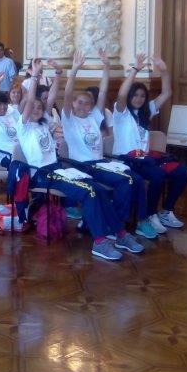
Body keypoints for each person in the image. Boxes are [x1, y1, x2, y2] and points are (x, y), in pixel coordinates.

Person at [17, 59, 125, 261]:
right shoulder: (23, 126)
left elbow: (51, 98)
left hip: (57, 169)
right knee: (89, 192)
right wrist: (35, 77)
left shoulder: (44, 122)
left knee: (98, 189)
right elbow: (30, 101)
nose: (37, 109)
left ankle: (120, 233)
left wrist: (58, 74)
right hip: (42, 174)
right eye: (33, 108)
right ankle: (100, 242)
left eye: (40, 107)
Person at [62, 49, 150, 246]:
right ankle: (115, 228)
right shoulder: (69, 120)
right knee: (127, 180)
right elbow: (67, 94)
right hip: (83, 165)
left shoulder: (94, 117)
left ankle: (114, 224)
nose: (83, 106)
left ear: (92, 107)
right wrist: (74, 69)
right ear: (73, 104)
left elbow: (102, 92)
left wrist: (107, 66)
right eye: (79, 102)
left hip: (101, 163)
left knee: (134, 179)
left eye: (87, 103)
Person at [113, 53, 187, 232]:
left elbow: (167, 93)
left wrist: (163, 71)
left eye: (142, 96)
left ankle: (167, 211)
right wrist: (135, 70)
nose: (138, 99)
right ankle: (149, 214)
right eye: (135, 95)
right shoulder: (121, 113)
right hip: (126, 161)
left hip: (145, 160)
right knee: (157, 175)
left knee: (182, 172)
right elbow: (121, 94)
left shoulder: (146, 111)